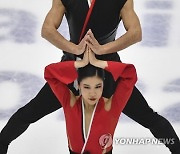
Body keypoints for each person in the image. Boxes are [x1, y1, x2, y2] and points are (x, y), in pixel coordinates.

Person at [0, 0, 179, 153]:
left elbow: (135, 33)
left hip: (107, 72)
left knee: (149, 118)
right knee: (28, 114)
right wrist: (75, 49)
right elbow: (47, 30)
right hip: (73, 70)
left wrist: (102, 50)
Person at [44, 48, 137, 153]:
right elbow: (49, 73)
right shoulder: (70, 103)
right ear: (79, 86)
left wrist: (99, 63)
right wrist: (79, 64)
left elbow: (130, 74)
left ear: (103, 86)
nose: (92, 93)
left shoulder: (111, 106)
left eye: (97, 86)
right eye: (87, 87)